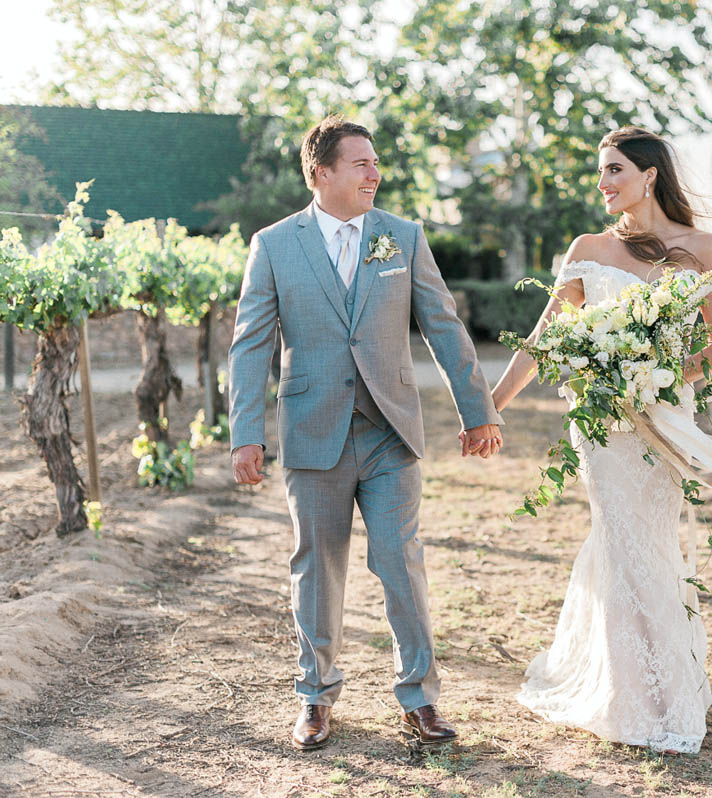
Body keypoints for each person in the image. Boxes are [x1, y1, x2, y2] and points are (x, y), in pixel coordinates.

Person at [227, 115, 504, 751]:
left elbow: (443, 324)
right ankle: (316, 698)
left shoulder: (401, 237)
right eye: (361, 164)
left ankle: (421, 699)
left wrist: (478, 410)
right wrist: (247, 433)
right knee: (316, 569)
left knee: (400, 562)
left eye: (375, 163)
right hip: (313, 429)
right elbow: (250, 347)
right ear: (321, 173)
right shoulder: (273, 245)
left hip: (390, 433)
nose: (375, 174)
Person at [491, 127, 712, 754]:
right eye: (601, 173)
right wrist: (489, 407)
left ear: (650, 175)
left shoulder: (703, 248)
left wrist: (657, 379)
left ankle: (669, 679)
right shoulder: (589, 249)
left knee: (650, 543)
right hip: (603, 427)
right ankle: (635, 694)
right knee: (622, 541)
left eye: (614, 170)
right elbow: (544, 339)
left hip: (663, 423)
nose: (603, 184)